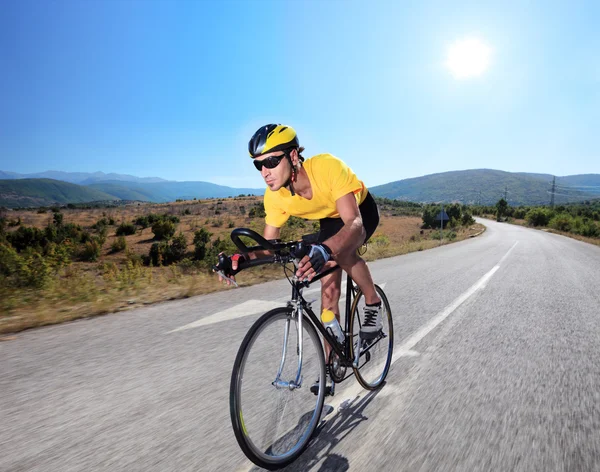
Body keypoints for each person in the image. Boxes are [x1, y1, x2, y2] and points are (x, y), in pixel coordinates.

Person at [218, 124, 382, 392]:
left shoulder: (328, 167)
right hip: (329, 220)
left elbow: (353, 224)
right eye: (258, 165)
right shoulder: (275, 196)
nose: (265, 172)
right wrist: (241, 260)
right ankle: (332, 366)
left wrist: (326, 249)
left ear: (293, 156)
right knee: (328, 291)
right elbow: (268, 246)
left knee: (341, 253)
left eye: (271, 161)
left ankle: (373, 304)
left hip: (358, 211)